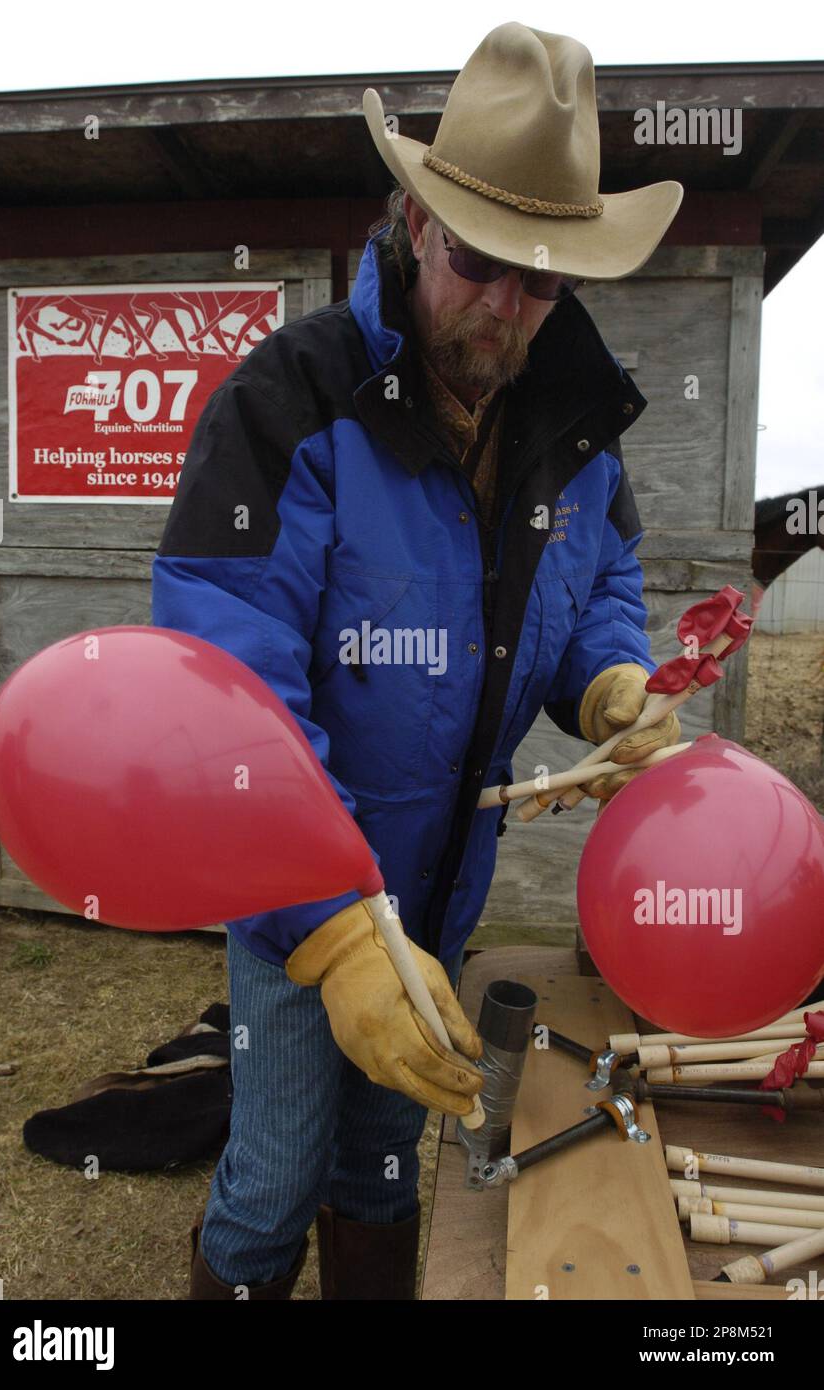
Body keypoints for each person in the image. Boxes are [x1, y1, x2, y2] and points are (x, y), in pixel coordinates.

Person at [151, 22, 683, 1301]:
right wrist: (334, 933)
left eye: (541, 281)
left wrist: (612, 680)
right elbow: (221, 684)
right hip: (303, 906)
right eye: (479, 261)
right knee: (276, 1172)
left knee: (387, 1156)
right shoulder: (289, 404)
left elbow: (600, 582)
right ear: (413, 219)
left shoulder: (575, 428)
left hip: (444, 896)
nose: (504, 308)